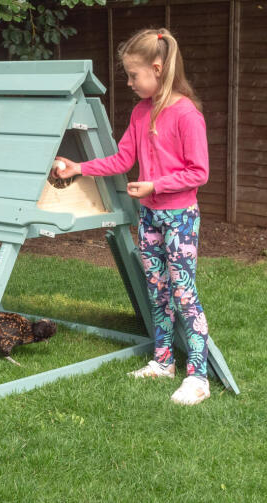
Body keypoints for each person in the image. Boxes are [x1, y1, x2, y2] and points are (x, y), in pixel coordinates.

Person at [52, 28, 211, 405]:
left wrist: (155, 186)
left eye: (134, 75)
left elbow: (199, 172)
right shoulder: (141, 112)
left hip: (179, 218)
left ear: (158, 69)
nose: (129, 82)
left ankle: (199, 378)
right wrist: (79, 167)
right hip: (150, 218)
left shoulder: (187, 114)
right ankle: (163, 362)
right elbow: (123, 160)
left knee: (184, 295)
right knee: (155, 291)